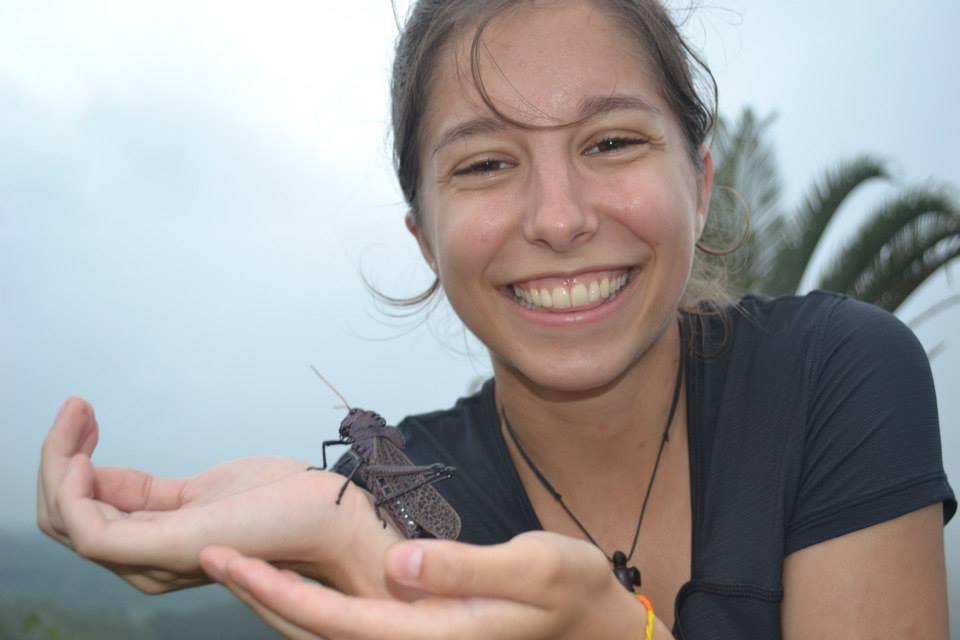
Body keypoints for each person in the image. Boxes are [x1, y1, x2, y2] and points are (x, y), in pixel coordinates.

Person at [37, 1, 955, 638]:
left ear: (701, 181)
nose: (558, 219)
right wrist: (345, 546)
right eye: (484, 164)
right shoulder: (373, 499)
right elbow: (362, 506)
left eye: (611, 142)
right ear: (425, 238)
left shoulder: (841, 373)